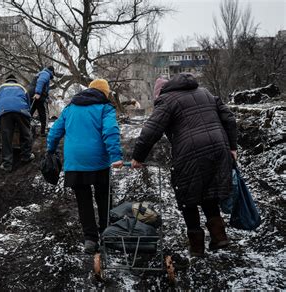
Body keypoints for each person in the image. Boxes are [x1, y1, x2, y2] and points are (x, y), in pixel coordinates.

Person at [131, 73, 237, 257]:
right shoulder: (205, 92)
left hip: (189, 153)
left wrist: (138, 157)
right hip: (218, 149)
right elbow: (229, 118)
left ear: (160, 92)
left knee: (189, 198)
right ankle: (219, 237)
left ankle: (196, 248)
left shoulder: (167, 100)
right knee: (209, 191)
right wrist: (233, 146)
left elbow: (151, 130)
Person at [46, 79, 124, 254]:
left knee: (84, 201)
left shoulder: (70, 108)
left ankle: (90, 239)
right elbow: (110, 131)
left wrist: (50, 150)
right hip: (98, 162)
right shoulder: (105, 108)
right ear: (104, 93)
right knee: (104, 198)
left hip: (75, 163)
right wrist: (116, 156)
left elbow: (54, 131)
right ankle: (107, 234)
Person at [0, 74, 35, 172]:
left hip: (4, 112)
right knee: (25, 133)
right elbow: (28, 104)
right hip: (21, 110)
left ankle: (7, 164)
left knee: (6, 137)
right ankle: (26, 156)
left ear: (6, 81)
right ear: (15, 81)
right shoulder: (21, 88)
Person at [28, 66, 55, 137]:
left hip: (33, 93)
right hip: (36, 94)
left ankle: (25, 129)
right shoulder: (46, 74)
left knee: (30, 111)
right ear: (51, 71)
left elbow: (44, 89)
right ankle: (42, 132)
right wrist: (37, 93)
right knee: (43, 113)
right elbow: (41, 81)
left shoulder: (41, 73)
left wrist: (47, 97)